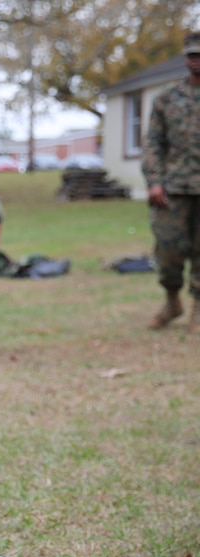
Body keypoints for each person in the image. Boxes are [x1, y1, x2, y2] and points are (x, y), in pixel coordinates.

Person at [141, 31, 200, 333]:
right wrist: (154, 181)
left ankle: (198, 310)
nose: (196, 61)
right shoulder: (167, 99)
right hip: (173, 188)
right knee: (168, 248)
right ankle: (172, 300)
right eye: (192, 55)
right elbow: (152, 144)